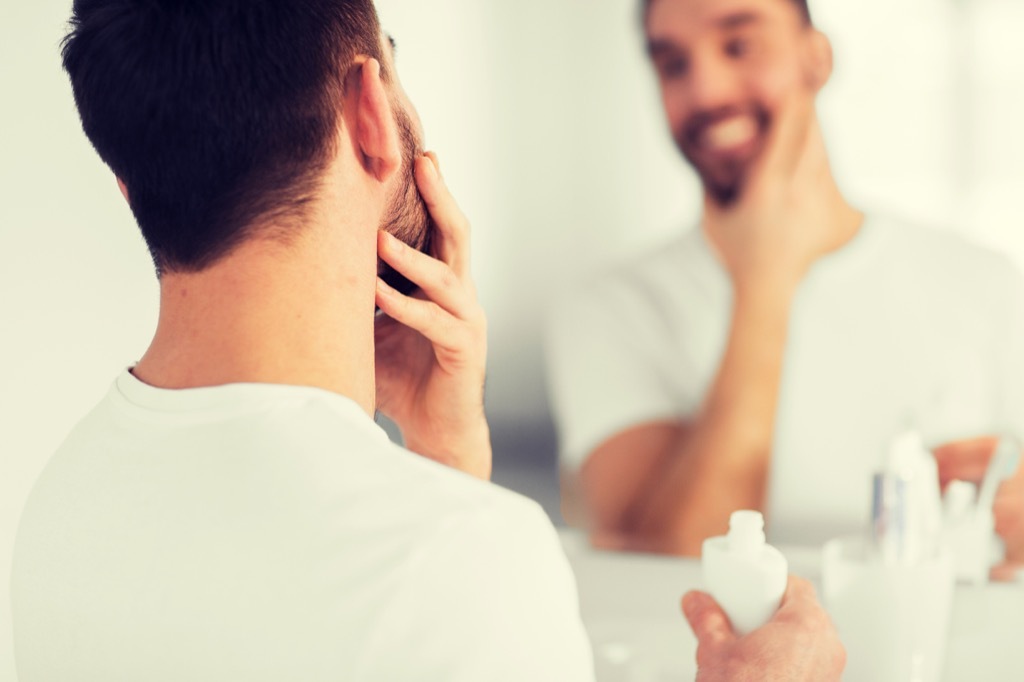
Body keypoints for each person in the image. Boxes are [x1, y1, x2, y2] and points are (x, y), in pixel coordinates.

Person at [10, 0, 845, 679]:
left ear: (127, 184)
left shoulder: (56, 506)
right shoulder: (458, 557)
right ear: (371, 112)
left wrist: (444, 467)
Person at [546, 0, 1024, 561]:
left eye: (739, 46)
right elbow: (667, 565)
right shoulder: (607, 310)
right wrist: (765, 279)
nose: (706, 92)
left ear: (816, 58)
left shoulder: (988, 285)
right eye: (673, 64)